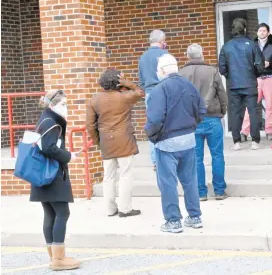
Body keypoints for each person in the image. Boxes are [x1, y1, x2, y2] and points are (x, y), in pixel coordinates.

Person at [144, 54, 206, 233]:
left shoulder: (159, 89)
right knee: (190, 180)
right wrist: (191, 125)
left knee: (168, 183)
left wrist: (152, 135)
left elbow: (155, 119)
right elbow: (201, 111)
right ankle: (195, 217)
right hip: (188, 139)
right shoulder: (189, 86)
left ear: (162, 71)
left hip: (166, 142)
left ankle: (173, 220)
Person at [30, 89, 81, 271]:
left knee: (50, 214)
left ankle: (54, 257)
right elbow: (49, 148)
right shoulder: (51, 122)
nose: (66, 108)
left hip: (42, 176)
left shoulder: (45, 119)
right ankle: (58, 259)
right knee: (62, 213)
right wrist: (68, 156)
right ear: (52, 105)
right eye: (63, 105)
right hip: (51, 175)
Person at [86, 68, 142, 218]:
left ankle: (110, 209)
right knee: (125, 175)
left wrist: (99, 141)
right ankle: (125, 209)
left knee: (108, 177)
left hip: (106, 141)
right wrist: (127, 83)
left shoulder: (94, 99)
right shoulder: (124, 97)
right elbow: (140, 92)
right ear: (118, 81)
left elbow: (90, 126)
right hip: (124, 140)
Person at [179, 43, 228, 201]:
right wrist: (222, 112)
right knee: (217, 155)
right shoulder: (212, 71)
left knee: (196, 158)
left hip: (191, 120)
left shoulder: (180, 74)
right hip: (212, 117)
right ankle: (219, 191)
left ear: (188, 56)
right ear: (202, 55)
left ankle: (201, 193)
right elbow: (222, 94)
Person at [218, 18, 265, 151]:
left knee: (235, 113)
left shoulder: (226, 46)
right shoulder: (252, 45)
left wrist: (230, 77)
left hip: (233, 85)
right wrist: (253, 75)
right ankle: (255, 142)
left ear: (233, 29)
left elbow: (222, 68)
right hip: (250, 84)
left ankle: (236, 142)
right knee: (253, 112)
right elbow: (260, 66)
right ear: (244, 29)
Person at [241, 23, 272, 142]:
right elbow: (246, 61)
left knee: (269, 106)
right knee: (250, 105)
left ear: (268, 32)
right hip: (256, 79)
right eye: (260, 30)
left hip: (270, 77)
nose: (262, 32)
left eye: (264, 30)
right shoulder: (252, 45)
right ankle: (244, 132)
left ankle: (269, 132)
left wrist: (269, 63)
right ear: (257, 33)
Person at [138, 29, 168, 171]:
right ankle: (166, 158)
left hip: (149, 93)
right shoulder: (164, 54)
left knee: (152, 125)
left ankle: (155, 160)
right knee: (168, 124)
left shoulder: (143, 57)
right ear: (162, 41)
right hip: (164, 91)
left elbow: (141, 79)